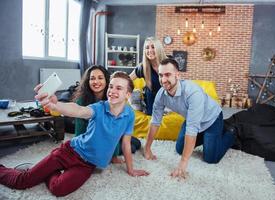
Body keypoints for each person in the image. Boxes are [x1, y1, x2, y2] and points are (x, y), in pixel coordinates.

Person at [0, 71, 149, 197]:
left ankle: (46, 171)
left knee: (58, 190)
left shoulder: (129, 115)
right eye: (111, 86)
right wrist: (55, 105)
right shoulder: (98, 108)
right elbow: (78, 110)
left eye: (119, 88)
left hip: (87, 165)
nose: (112, 91)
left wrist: (131, 169)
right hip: (69, 151)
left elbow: (126, 143)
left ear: (128, 94)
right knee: (22, 181)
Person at [143, 58, 235, 179]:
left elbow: (191, 129)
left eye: (167, 75)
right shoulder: (161, 95)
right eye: (160, 75)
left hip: (211, 119)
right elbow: (155, 122)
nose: (163, 80)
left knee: (211, 158)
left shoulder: (192, 92)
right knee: (180, 149)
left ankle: (231, 132)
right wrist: (147, 148)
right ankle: (205, 137)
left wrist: (182, 164)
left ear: (177, 75)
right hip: (192, 119)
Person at [72, 65, 141, 162]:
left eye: (100, 78)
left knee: (136, 143)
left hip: (110, 136)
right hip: (93, 140)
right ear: (88, 81)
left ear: (106, 81)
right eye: (92, 79)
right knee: (132, 147)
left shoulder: (112, 98)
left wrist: (115, 155)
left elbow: (116, 128)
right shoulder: (81, 101)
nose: (96, 82)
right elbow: (79, 131)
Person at [129, 37, 167, 115]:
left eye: (153, 47)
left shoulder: (168, 63)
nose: (150, 50)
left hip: (167, 98)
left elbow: (177, 82)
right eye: (147, 48)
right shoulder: (143, 67)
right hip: (151, 100)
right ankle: (140, 104)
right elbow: (127, 79)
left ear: (159, 48)